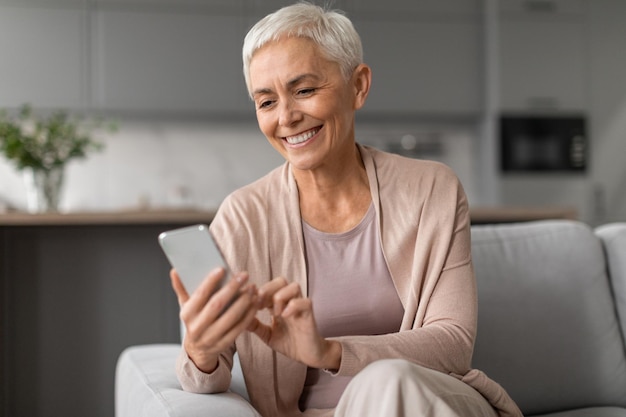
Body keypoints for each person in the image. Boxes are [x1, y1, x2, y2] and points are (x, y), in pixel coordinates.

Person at [170, 2, 522, 416]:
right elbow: (203, 379)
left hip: (432, 402)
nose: (286, 117)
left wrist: (328, 351)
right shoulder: (243, 218)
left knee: (387, 381)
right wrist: (200, 347)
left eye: (304, 90)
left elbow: (453, 343)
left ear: (358, 86)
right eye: (266, 102)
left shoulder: (432, 190)